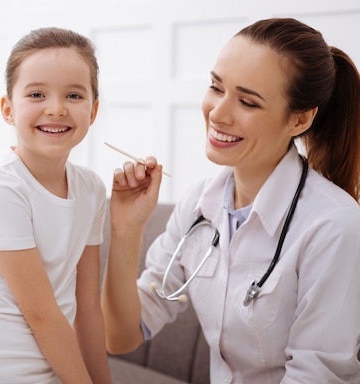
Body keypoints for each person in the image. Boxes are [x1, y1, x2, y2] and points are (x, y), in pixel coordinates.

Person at [101, 17, 360, 383]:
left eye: (248, 102)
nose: (217, 114)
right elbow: (121, 335)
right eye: (215, 87)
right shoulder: (199, 204)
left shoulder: (334, 225)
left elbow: (316, 375)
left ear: (299, 119)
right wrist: (125, 231)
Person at [0, 27, 111, 383]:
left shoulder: (91, 189)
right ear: (8, 109)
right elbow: (41, 313)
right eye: (36, 94)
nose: (56, 108)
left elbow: (88, 308)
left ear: (92, 111)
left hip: (49, 372)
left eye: (73, 95)